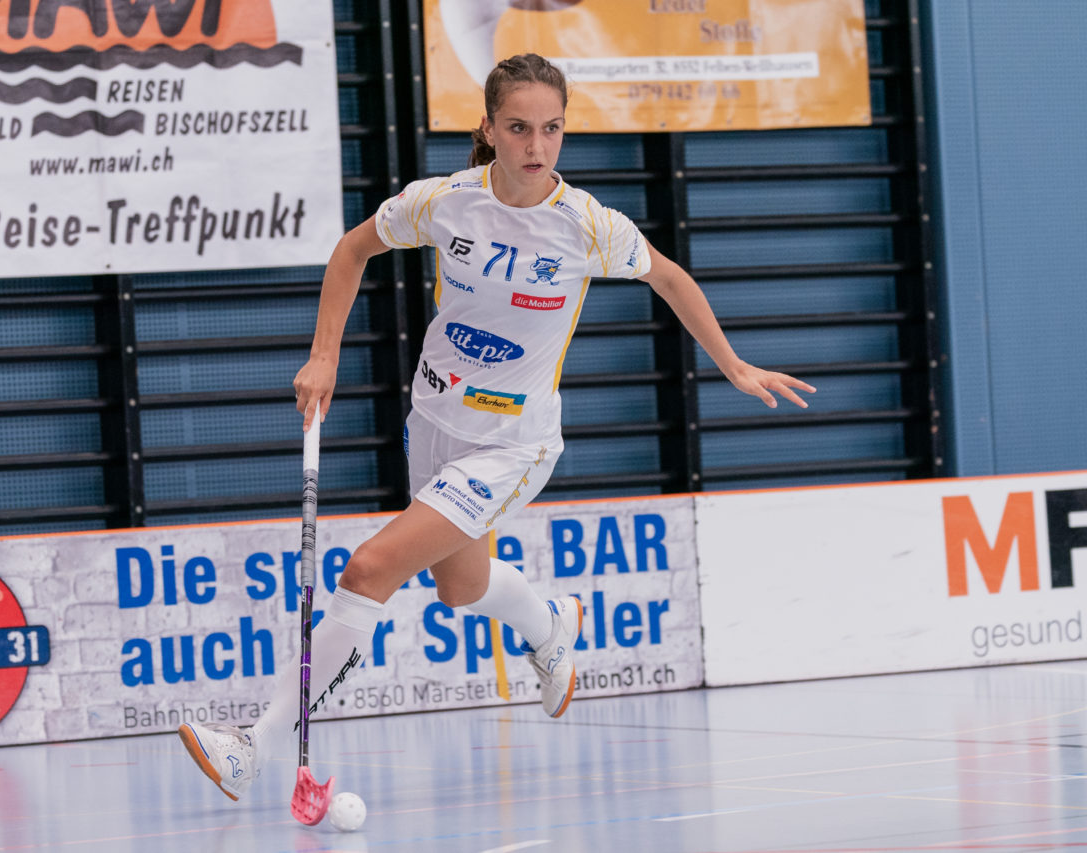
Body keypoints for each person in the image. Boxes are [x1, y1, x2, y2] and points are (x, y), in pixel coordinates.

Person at [177, 53, 815, 802]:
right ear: (488, 128)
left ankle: (255, 741)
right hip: (436, 419)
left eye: (551, 129)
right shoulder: (446, 202)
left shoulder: (586, 226)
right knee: (460, 585)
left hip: (514, 443)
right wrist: (323, 357)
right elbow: (353, 248)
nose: (536, 146)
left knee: (368, 571)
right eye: (518, 128)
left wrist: (733, 364)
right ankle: (550, 622)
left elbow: (669, 275)